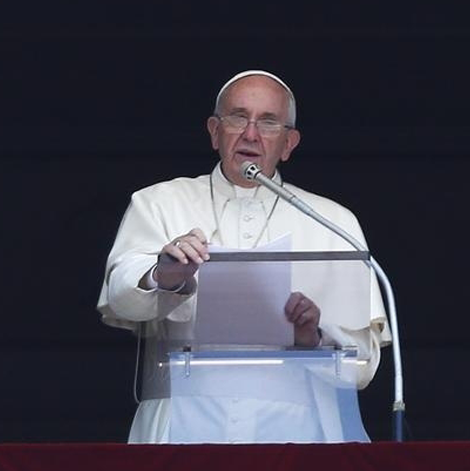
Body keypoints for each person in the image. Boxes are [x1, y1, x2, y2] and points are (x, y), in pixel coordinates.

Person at [97, 70, 390, 443]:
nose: (250, 134)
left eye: (268, 122)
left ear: (289, 143)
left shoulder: (332, 221)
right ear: (214, 131)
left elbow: (363, 367)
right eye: (238, 117)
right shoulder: (158, 203)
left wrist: (311, 337)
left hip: (299, 432)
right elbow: (121, 302)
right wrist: (164, 275)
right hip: (181, 427)